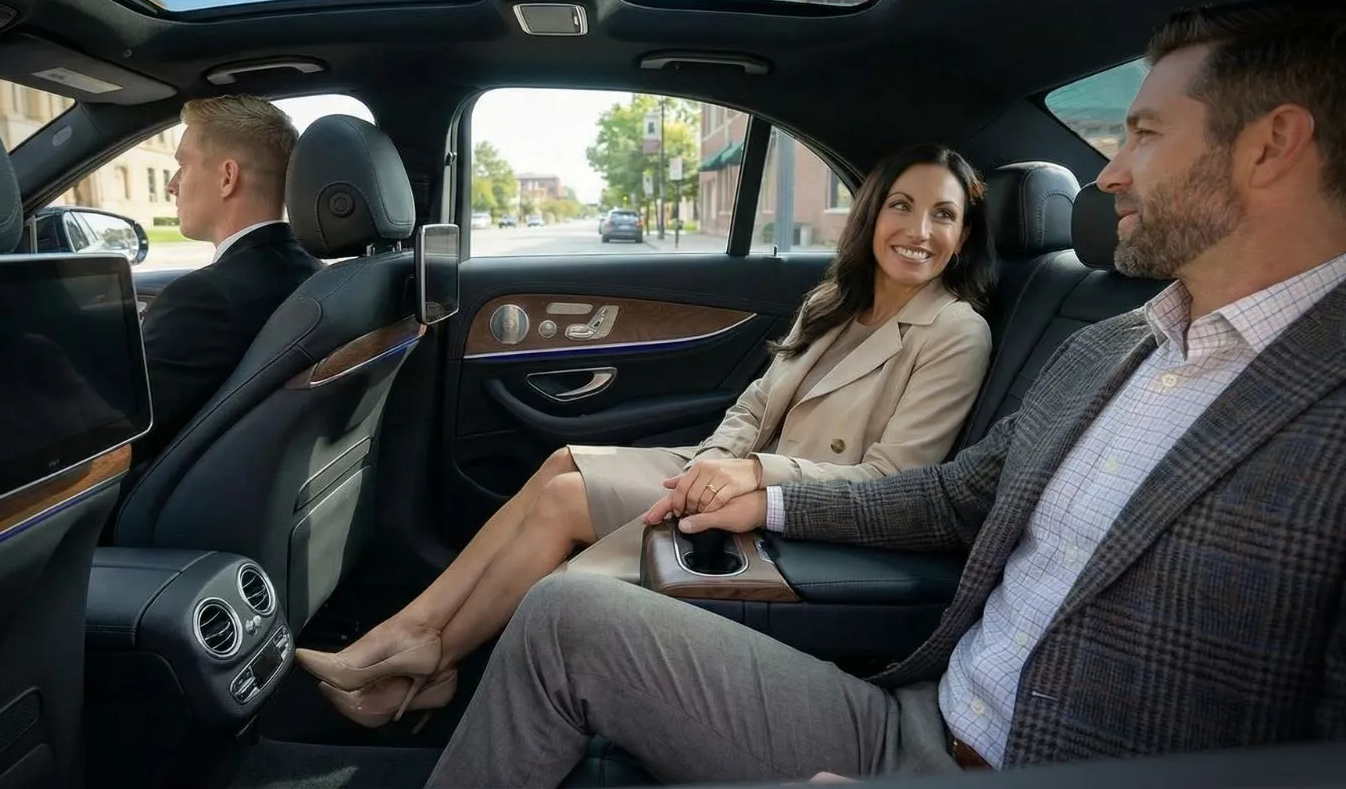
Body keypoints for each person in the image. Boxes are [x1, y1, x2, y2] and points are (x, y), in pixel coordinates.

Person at [423, 0, 1346, 788]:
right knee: (562, 618)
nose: (1109, 171)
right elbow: (950, 497)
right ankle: (412, 654)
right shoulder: (1109, 349)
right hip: (916, 715)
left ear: (1270, 147)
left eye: (1144, 134)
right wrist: (766, 496)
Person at [295, 143, 999, 725]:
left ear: (964, 235)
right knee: (562, 462)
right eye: (901, 205)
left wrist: (754, 476)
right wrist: (718, 458)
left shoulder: (955, 332)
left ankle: (430, 657)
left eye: (944, 214)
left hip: (802, 511)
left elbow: (894, 485)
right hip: (734, 471)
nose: (919, 229)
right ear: (873, 214)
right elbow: (755, 404)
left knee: (565, 501)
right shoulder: (836, 302)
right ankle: (412, 634)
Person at [132, 95, 321, 465]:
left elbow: (124, 432)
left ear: (227, 177)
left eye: (183, 166)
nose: (172, 185)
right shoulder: (315, 272)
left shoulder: (202, 299)